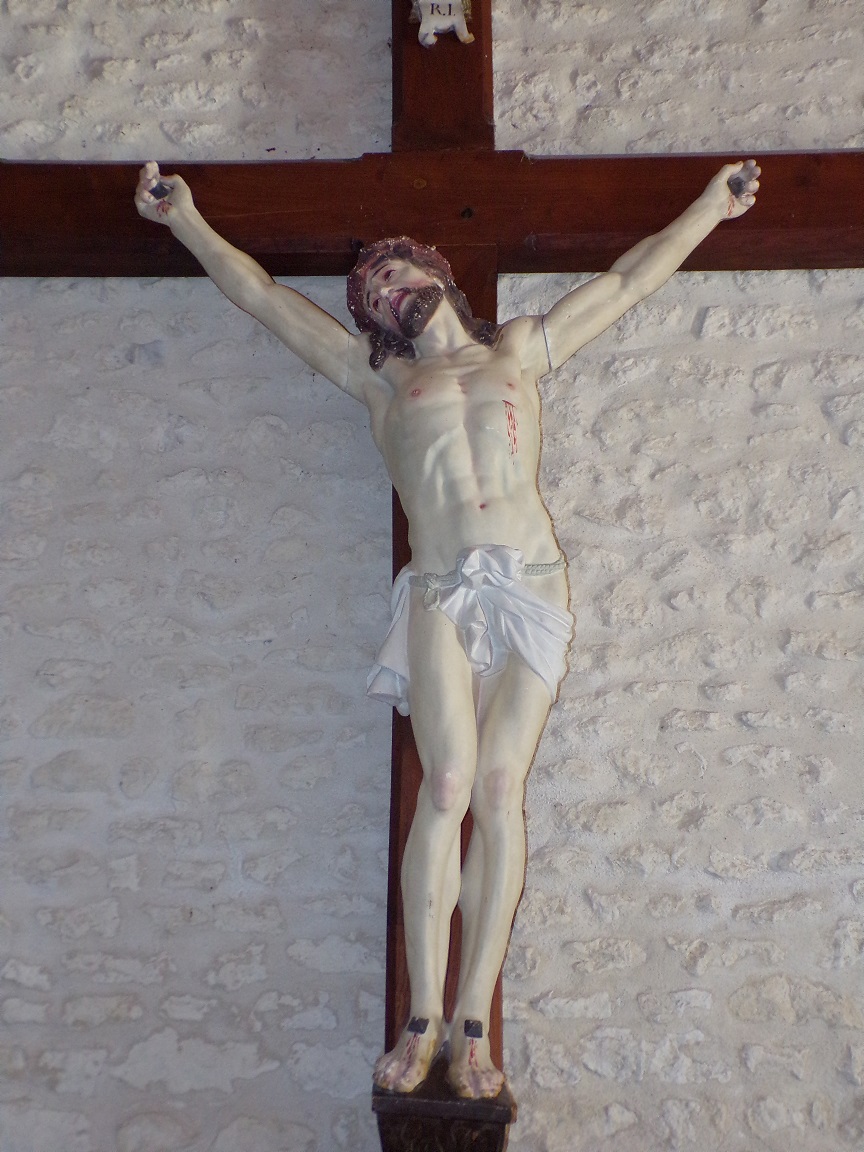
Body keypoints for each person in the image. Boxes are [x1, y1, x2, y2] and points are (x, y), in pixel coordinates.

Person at [135, 158, 760, 1099]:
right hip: (439, 588)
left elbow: (630, 282)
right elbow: (263, 300)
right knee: (452, 782)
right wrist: (186, 221)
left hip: (533, 583)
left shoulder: (517, 352)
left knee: (503, 785)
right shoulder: (379, 385)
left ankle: (475, 1025)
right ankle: (420, 1013)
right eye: (372, 289)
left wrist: (713, 205)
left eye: (395, 268)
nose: (385, 285)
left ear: (437, 275)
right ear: (378, 321)